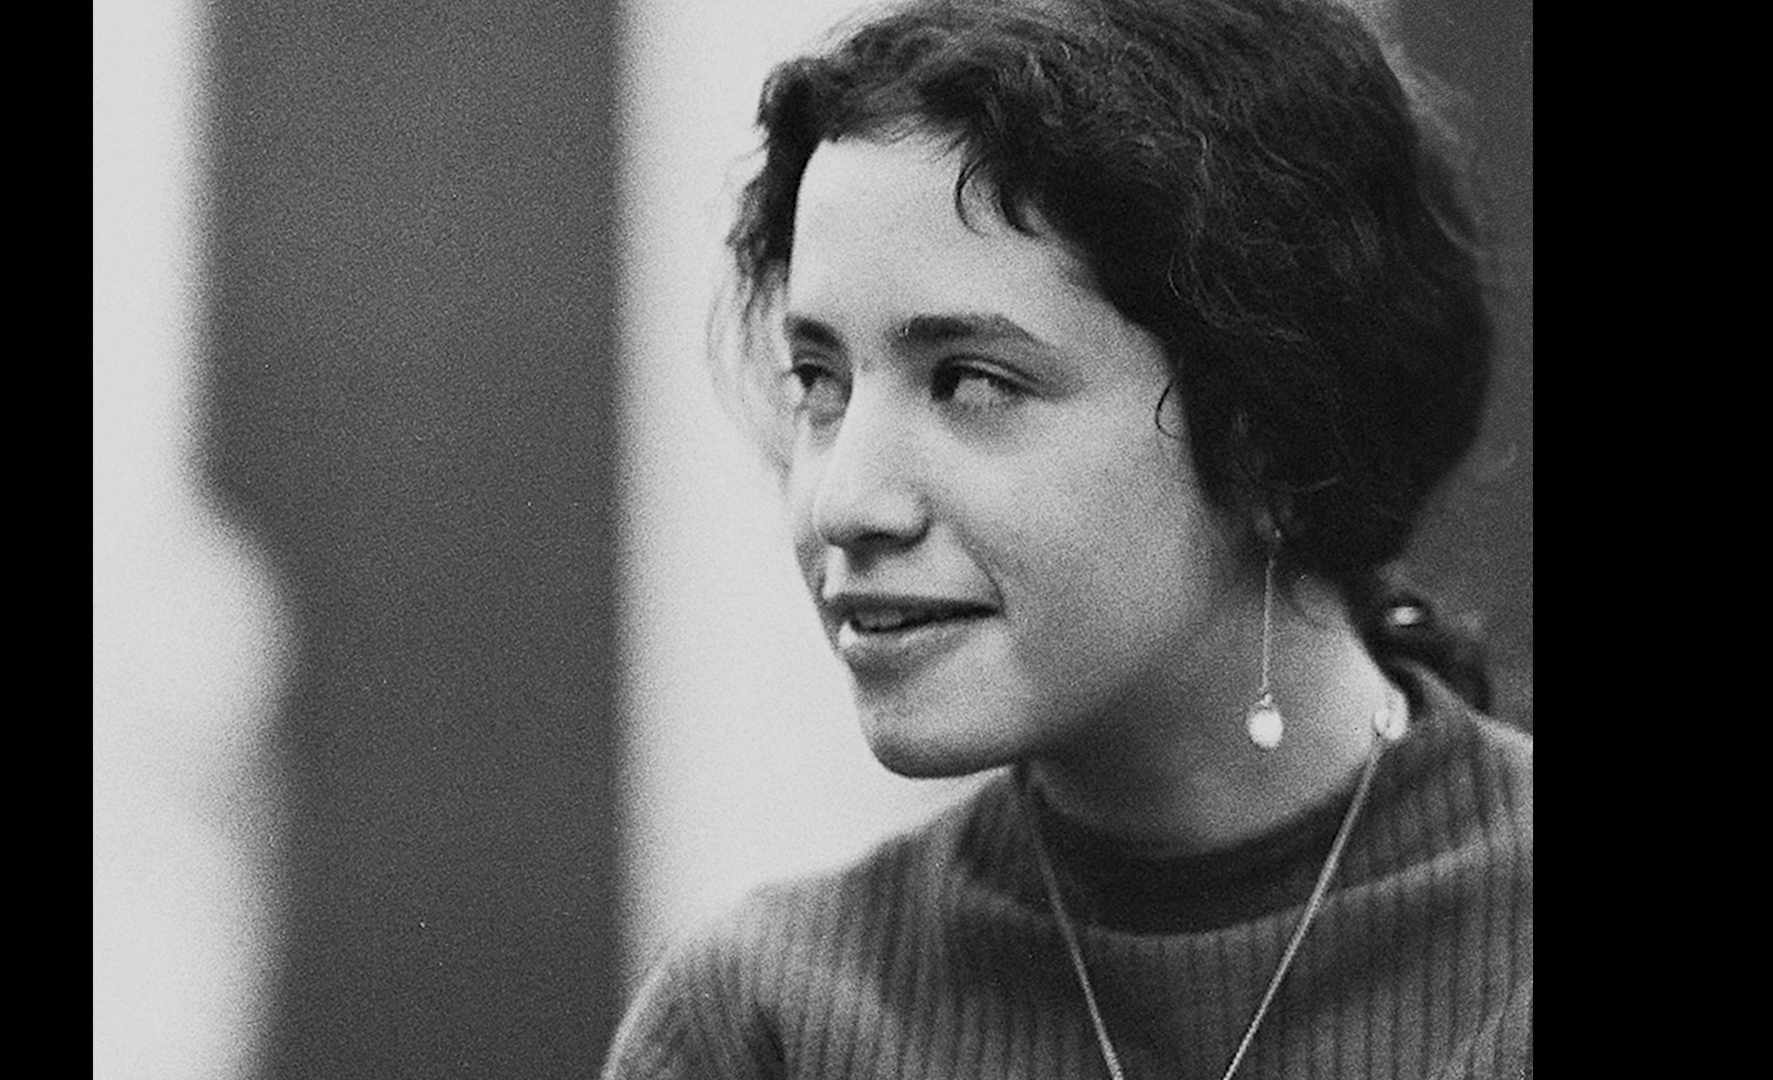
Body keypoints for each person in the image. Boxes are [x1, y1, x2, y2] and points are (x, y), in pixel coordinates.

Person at [606, 0, 1530, 1076]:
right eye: (820, 379)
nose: (842, 503)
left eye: (973, 382)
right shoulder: (758, 1023)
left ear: (1271, 432)